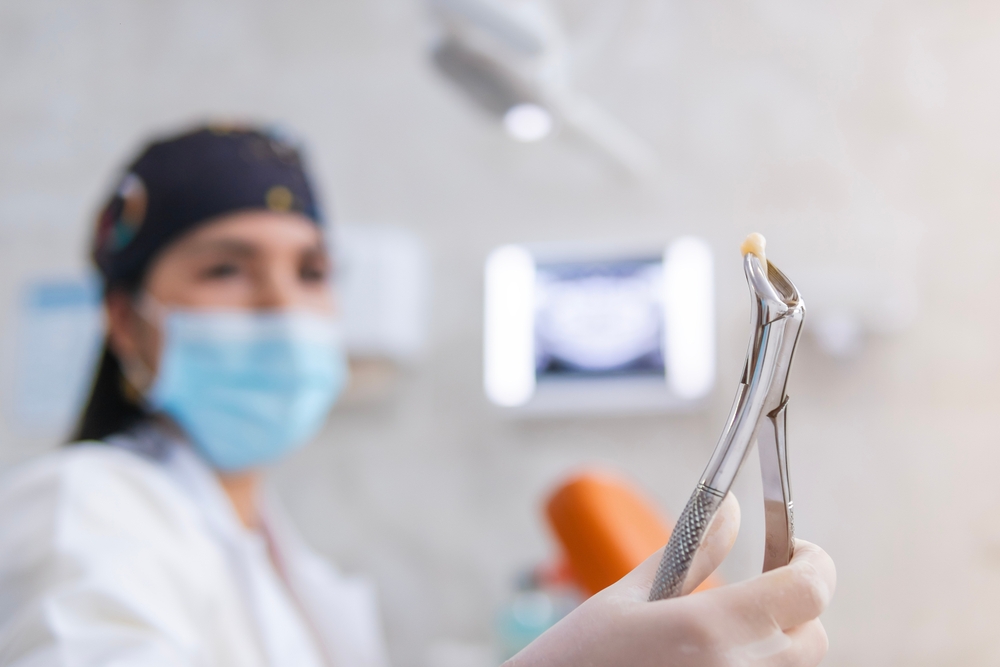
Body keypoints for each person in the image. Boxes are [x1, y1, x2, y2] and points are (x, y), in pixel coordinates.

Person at [0, 125, 835, 667]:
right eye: (226, 267)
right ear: (124, 321)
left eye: (311, 271)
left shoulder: (285, 559)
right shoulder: (84, 510)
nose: (281, 302)